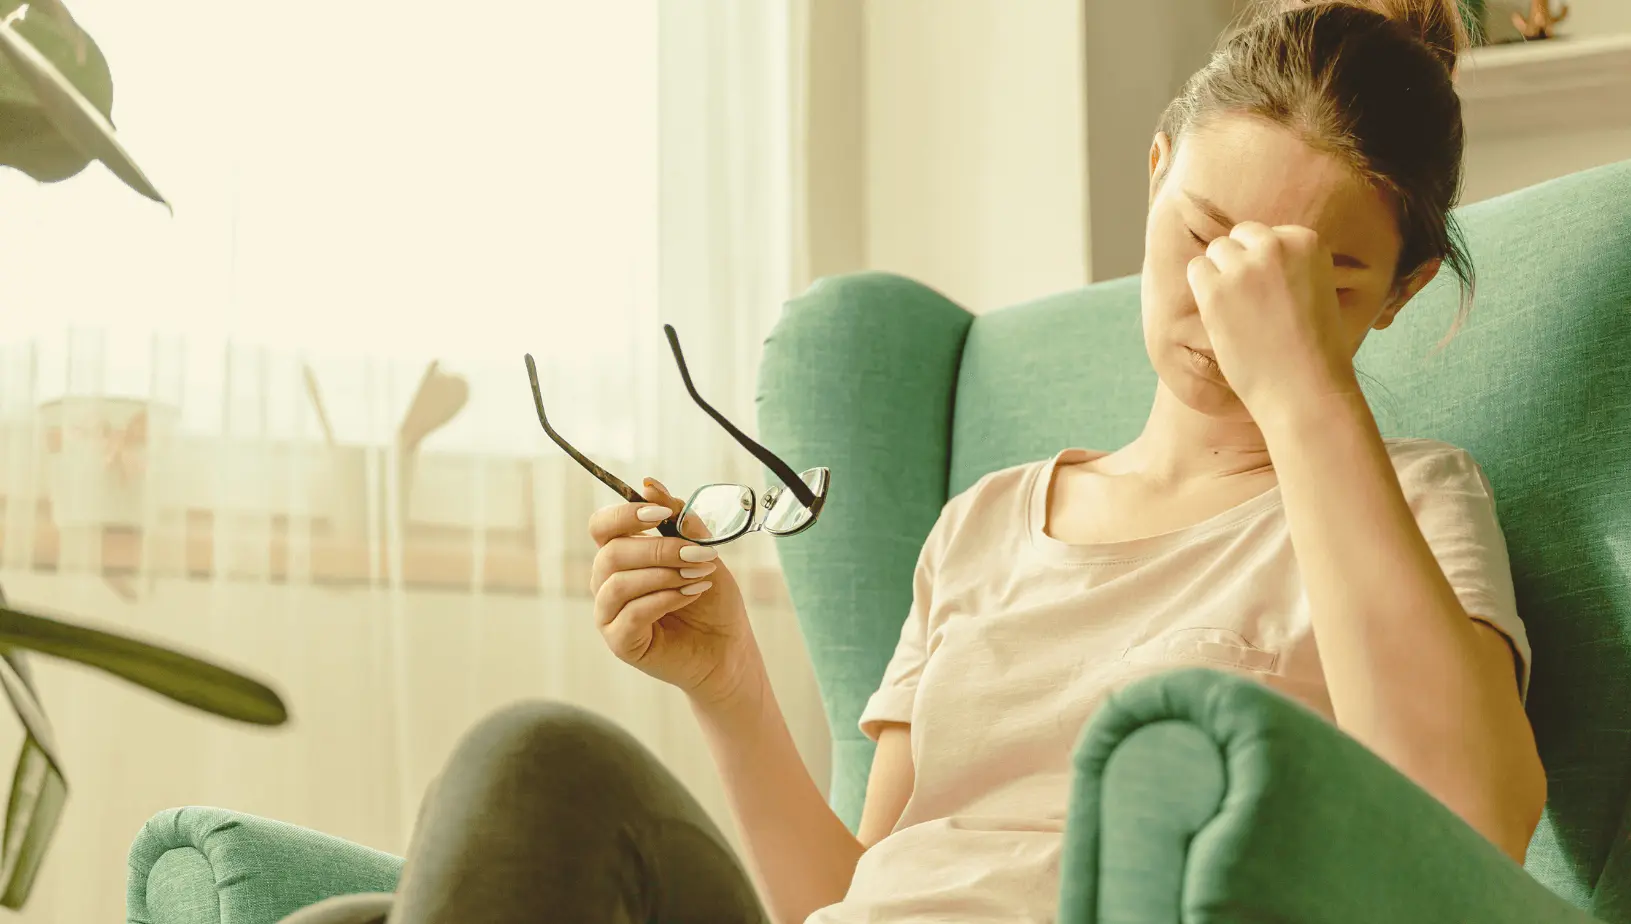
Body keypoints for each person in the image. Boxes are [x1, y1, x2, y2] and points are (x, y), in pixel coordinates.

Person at [282, 1, 1547, 921]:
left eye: (1311, 279)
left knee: (526, 768)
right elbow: (857, 893)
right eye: (1205, 240)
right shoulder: (986, 524)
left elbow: (1468, 822)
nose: (1229, 308)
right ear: (1154, 170)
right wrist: (730, 685)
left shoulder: (1411, 508)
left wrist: (1304, 394)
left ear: (1398, 291)